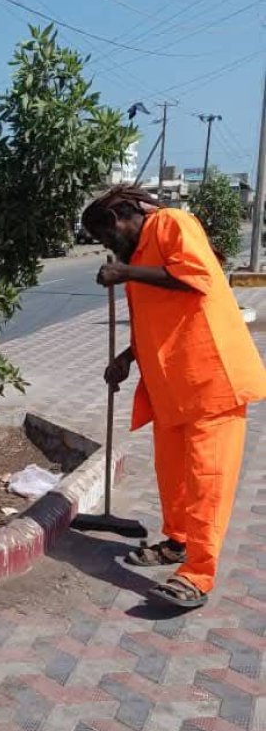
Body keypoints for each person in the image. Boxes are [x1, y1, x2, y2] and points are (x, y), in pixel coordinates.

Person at [82, 185, 266, 611]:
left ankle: (198, 575)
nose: (108, 247)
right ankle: (178, 542)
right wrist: (127, 358)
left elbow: (195, 278)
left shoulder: (172, 224)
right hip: (170, 387)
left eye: (106, 237)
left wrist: (125, 274)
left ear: (117, 220)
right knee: (173, 476)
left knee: (207, 480)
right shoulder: (136, 256)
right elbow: (154, 318)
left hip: (211, 383)